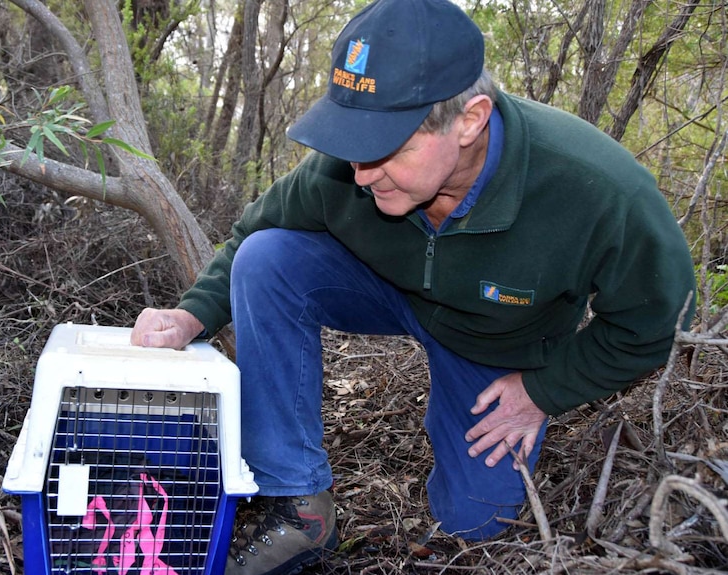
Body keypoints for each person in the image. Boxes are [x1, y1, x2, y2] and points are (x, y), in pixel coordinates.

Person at [131, 0, 696, 572]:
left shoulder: (595, 190)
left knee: (476, 525)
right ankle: (300, 504)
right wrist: (192, 314)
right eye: (352, 143)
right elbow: (256, 229)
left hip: (494, 345)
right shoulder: (349, 165)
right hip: (386, 290)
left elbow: (654, 325)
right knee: (267, 256)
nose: (362, 172)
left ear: (470, 120)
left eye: (387, 147)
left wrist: (543, 389)